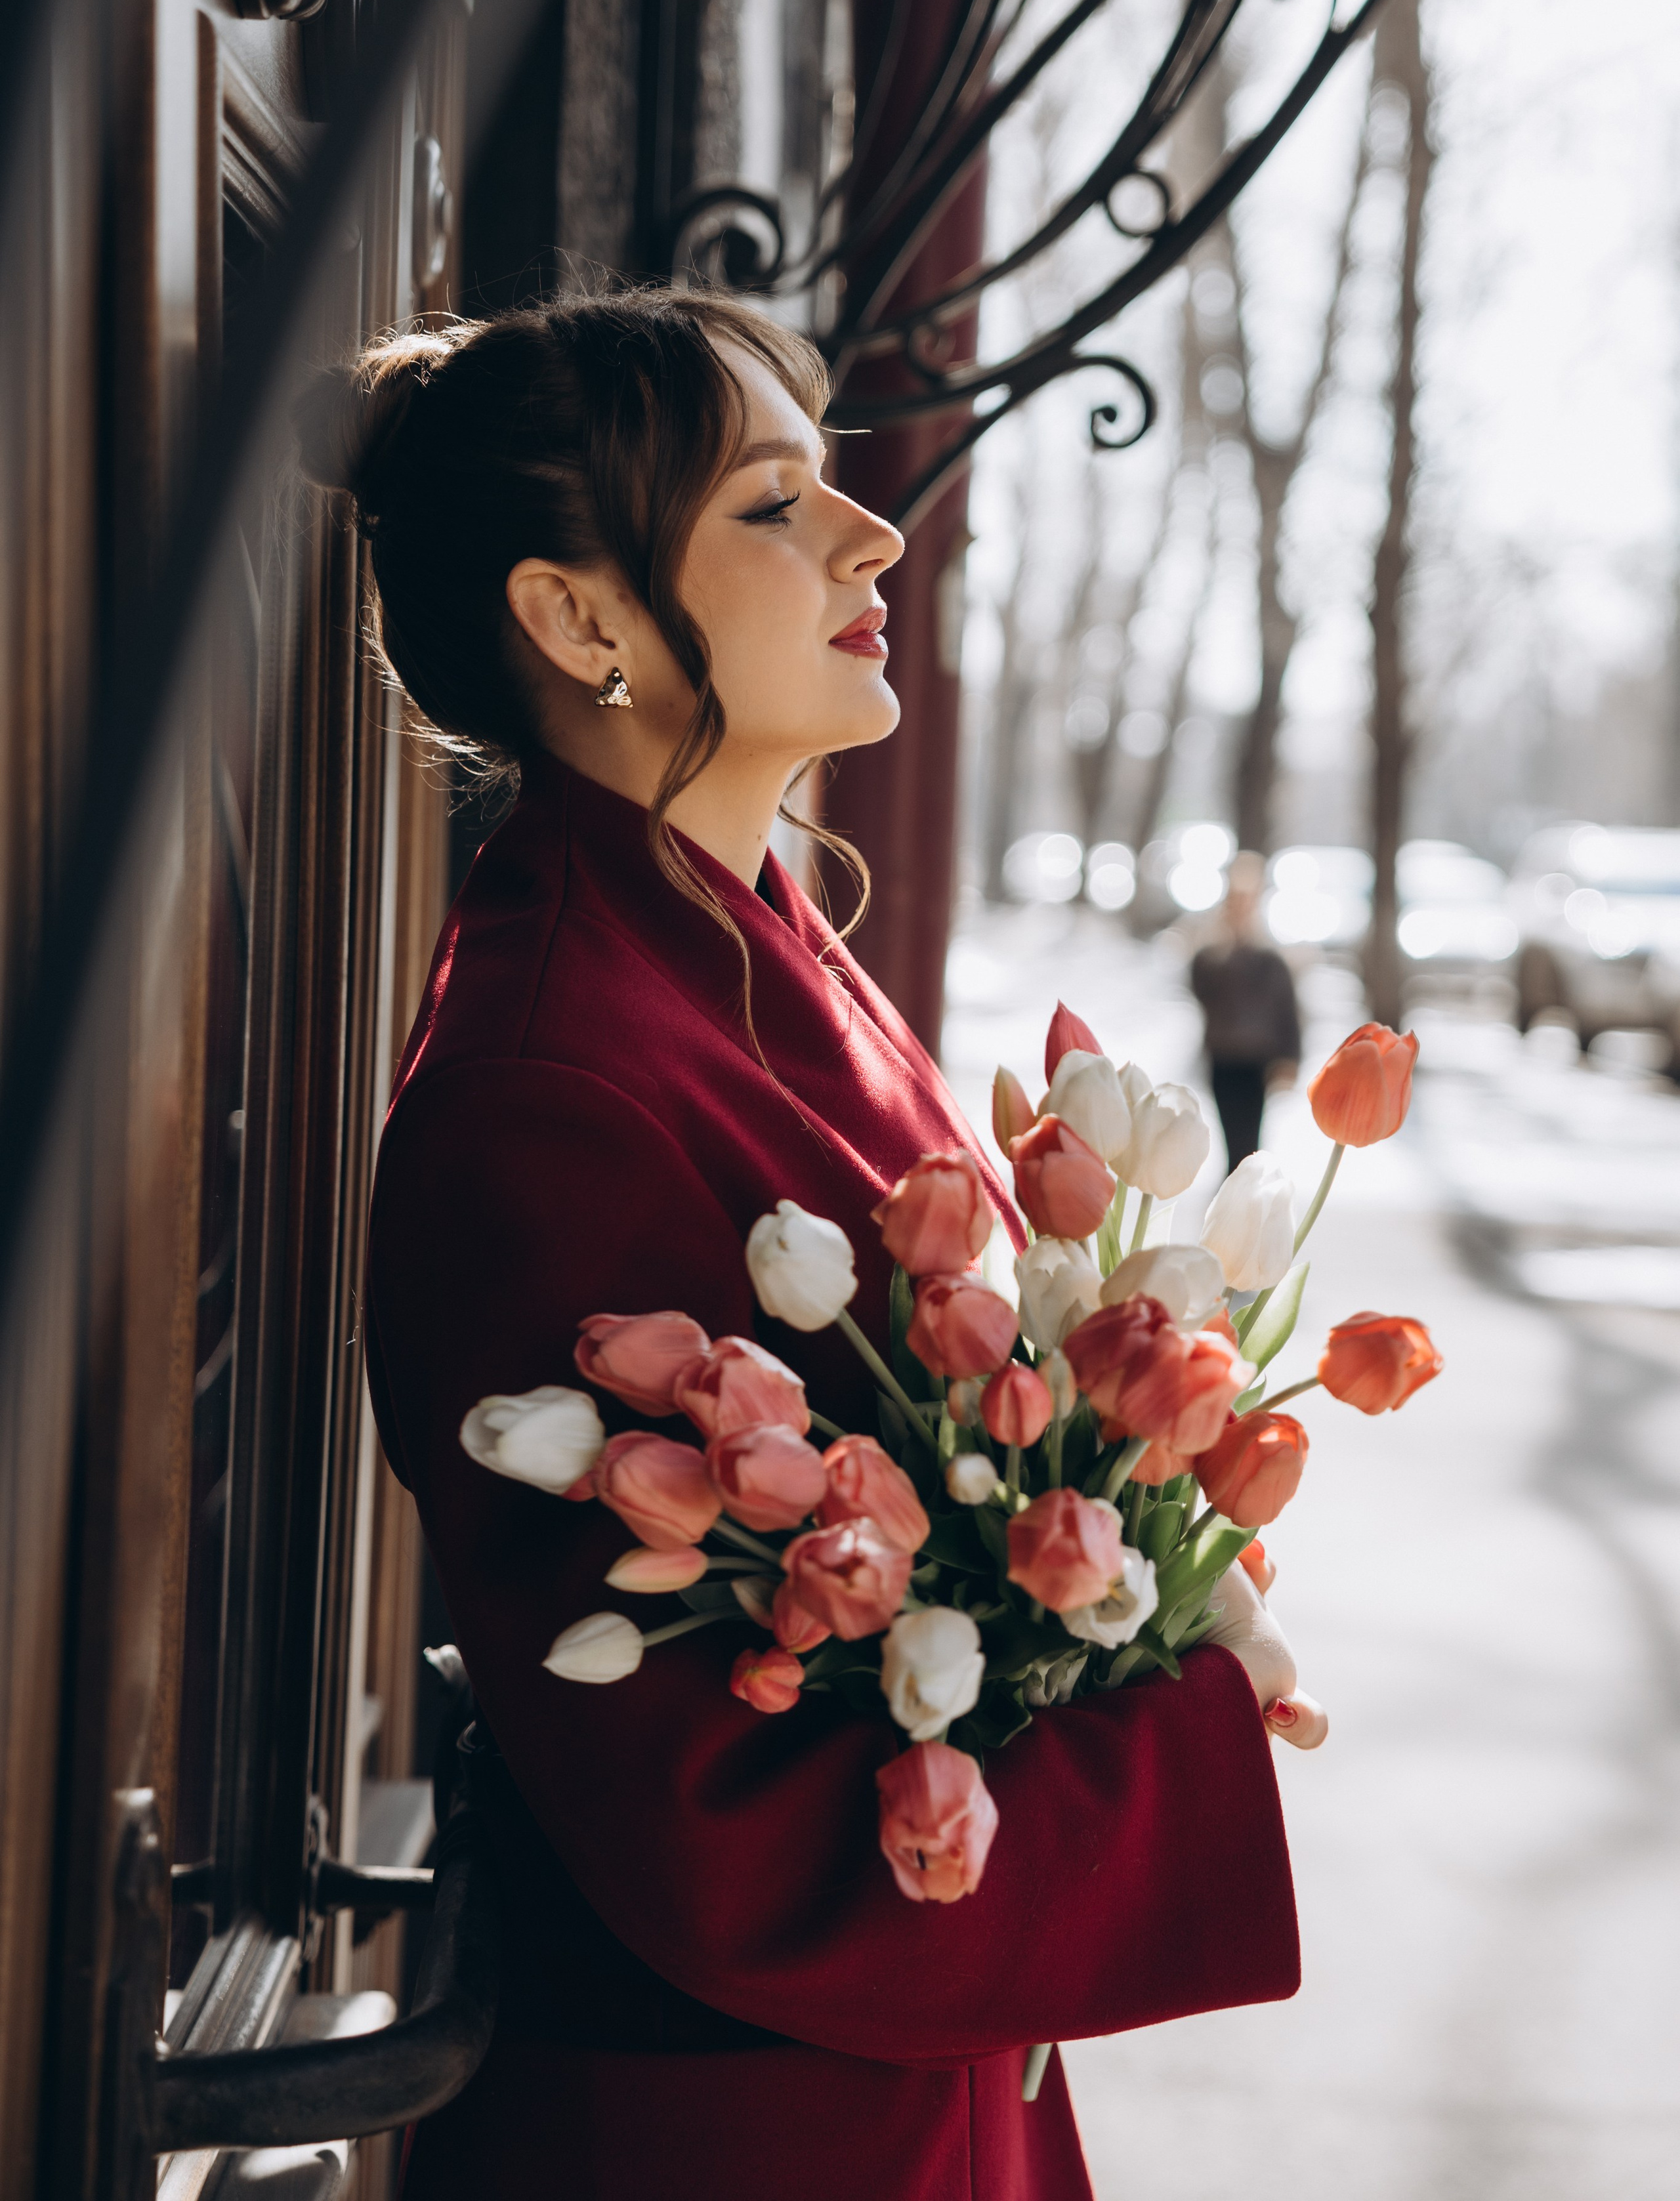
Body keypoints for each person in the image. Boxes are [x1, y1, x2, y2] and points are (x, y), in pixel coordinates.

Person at [297, 291, 1301, 2201]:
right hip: (748, 2124)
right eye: (772, 504)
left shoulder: (752, 951)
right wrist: (1173, 1716)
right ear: (580, 619)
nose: (873, 536)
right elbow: (707, 1799)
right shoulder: (552, 1085)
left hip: (901, 2069)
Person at [1190, 852, 1302, 1173]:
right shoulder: (1211, 955)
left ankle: (1247, 1206)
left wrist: (1290, 1059)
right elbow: (1201, 990)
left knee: (1250, 1145)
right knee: (1229, 1145)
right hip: (1224, 1059)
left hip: (1256, 1061)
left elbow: (1287, 1012)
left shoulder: (1272, 959)